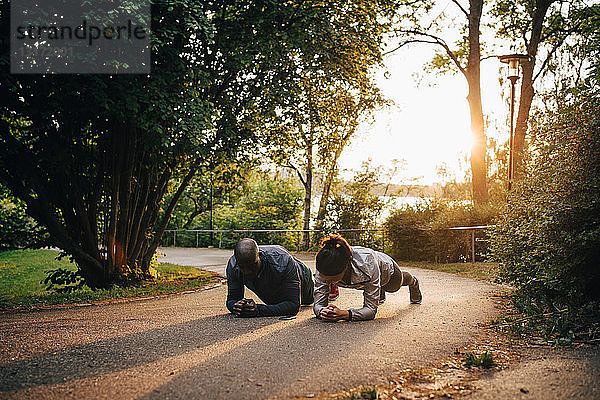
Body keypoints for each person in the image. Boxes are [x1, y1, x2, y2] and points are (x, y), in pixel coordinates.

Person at [313, 235, 422, 322]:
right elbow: (318, 305)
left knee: (394, 287)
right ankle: (378, 291)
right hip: (367, 279)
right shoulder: (323, 266)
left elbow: (370, 310)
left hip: (388, 271)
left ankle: (413, 282)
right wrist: (323, 311)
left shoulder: (367, 264)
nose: (326, 283)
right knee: (372, 287)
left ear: (345, 268)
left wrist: (345, 314)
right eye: (324, 279)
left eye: (332, 280)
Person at [226, 238, 314, 317]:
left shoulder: (284, 261)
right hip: (274, 285)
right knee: (275, 301)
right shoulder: (233, 265)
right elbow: (232, 299)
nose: (247, 272)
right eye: (242, 267)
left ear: (259, 255)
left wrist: (258, 310)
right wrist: (237, 306)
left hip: (303, 277)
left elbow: (293, 306)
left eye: (252, 265)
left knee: (314, 297)